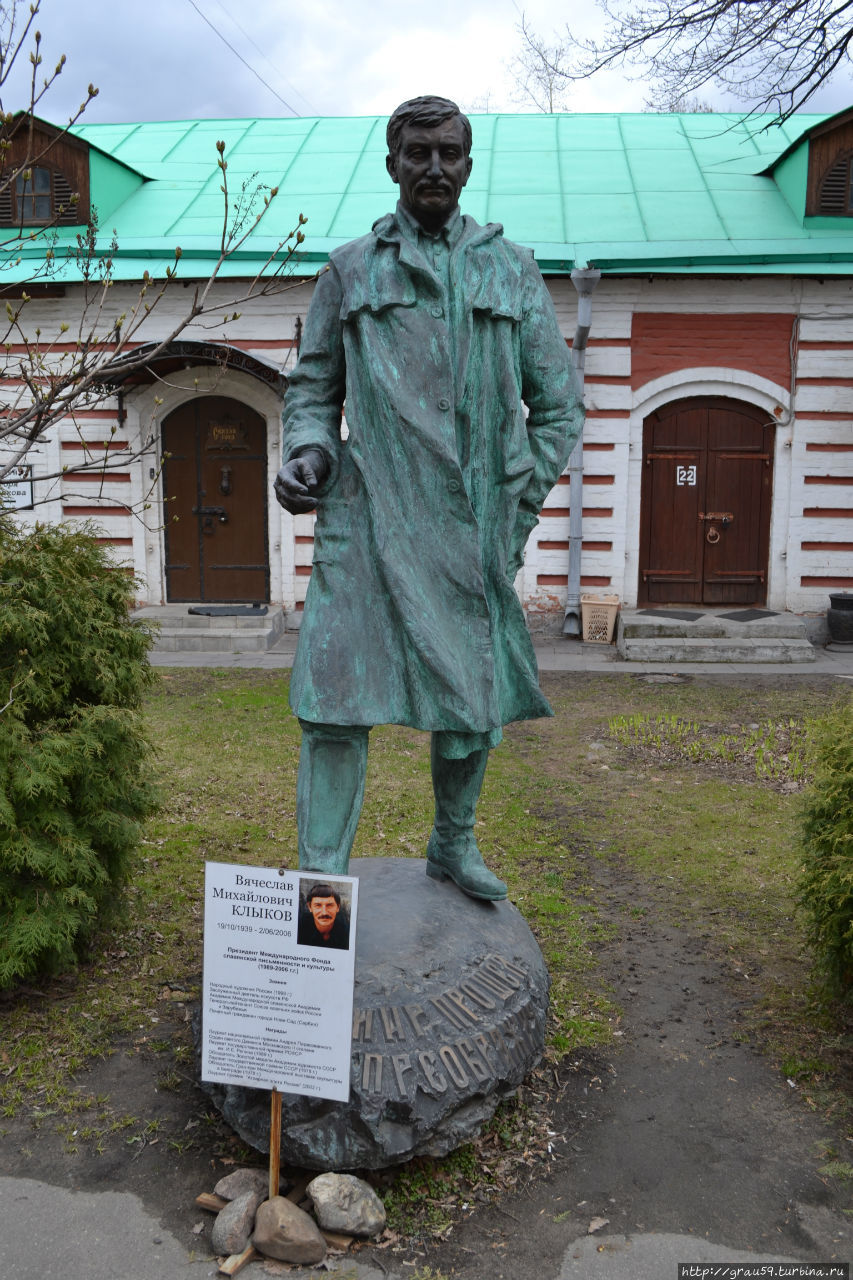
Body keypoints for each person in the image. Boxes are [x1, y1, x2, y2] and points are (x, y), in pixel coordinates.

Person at [274, 95, 584, 902]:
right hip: (368, 519)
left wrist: (518, 497)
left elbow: (557, 404)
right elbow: (312, 388)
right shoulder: (350, 269)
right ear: (393, 165)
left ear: (468, 165)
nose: (434, 167)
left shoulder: (509, 269)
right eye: (418, 153)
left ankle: (451, 843)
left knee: (468, 702)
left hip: (470, 524)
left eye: (448, 152)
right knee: (332, 705)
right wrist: (307, 450)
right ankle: (321, 887)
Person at [296, 882, 351, 949]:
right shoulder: (298, 930)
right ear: (310, 907)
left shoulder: (347, 932)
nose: (324, 912)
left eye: (330, 905)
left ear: (338, 907)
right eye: (318, 905)